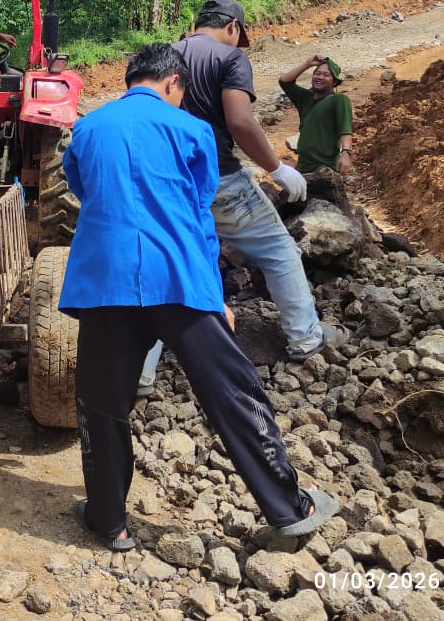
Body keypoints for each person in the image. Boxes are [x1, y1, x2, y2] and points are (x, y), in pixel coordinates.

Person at [59, 43, 340, 552]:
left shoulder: (88, 128)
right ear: (173, 82)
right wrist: (216, 295)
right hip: (180, 280)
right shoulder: (192, 130)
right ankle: (289, 510)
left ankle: (108, 521)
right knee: (234, 394)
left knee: (102, 404)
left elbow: (84, 190)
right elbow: (197, 213)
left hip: (105, 283)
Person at [138, 0, 346, 392]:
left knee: (167, 266)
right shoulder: (229, 57)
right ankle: (305, 337)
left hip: (167, 182)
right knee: (278, 249)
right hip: (220, 178)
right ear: (233, 26)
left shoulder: (165, 57)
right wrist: (277, 168)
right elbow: (239, 120)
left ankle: (141, 373)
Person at [279, 54, 354, 175]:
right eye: (317, 73)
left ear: (334, 81)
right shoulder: (305, 98)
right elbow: (284, 82)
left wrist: (346, 152)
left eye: (326, 75)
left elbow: (345, 130)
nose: (320, 77)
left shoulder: (339, 100)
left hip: (324, 169)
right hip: (302, 169)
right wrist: (307, 64)